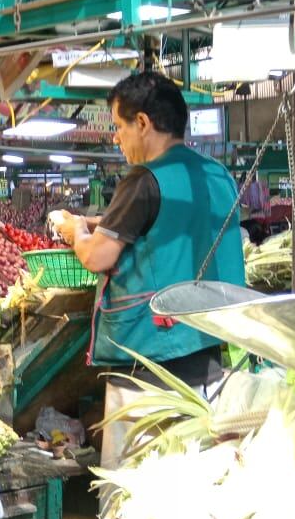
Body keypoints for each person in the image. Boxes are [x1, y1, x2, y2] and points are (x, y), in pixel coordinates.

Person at [55, 73, 246, 469]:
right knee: (192, 472)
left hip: (149, 369)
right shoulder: (217, 175)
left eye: (119, 126)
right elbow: (168, 227)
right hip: (208, 361)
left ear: (142, 123)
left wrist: (76, 231)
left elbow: (97, 257)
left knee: (134, 484)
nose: (116, 138)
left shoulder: (145, 179)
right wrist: (97, 222)